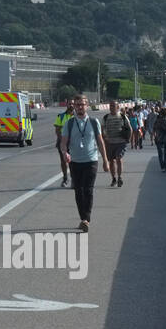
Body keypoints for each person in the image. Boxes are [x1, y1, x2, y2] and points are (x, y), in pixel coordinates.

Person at [61, 95, 110, 232]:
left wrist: (105, 161)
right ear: (74, 107)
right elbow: (63, 143)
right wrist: (65, 152)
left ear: (87, 105)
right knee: (78, 191)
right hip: (75, 161)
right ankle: (83, 218)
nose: (80, 107)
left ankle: (85, 219)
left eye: (82, 104)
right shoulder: (69, 123)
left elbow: (100, 142)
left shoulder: (94, 122)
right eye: (77, 105)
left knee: (88, 190)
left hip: (91, 161)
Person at [101, 101, 130, 187]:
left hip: (120, 142)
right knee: (111, 161)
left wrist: (128, 139)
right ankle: (114, 178)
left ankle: (120, 177)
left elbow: (129, 128)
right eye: (110, 106)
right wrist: (104, 138)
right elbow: (102, 129)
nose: (111, 107)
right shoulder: (106, 117)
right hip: (109, 143)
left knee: (118, 158)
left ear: (117, 107)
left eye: (113, 106)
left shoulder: (123, 117)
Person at [53, 102, 75, 187]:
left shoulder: (77, 116)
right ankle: (65, 178)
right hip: (62, 141)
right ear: (67, 105)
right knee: (63, 161)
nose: (71, 105)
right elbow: (57, 130)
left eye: (73, 104)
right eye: (70, 104)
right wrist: (62, 141)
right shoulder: (61, 116)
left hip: (74, 142)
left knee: (73, 162)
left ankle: (74, 179)